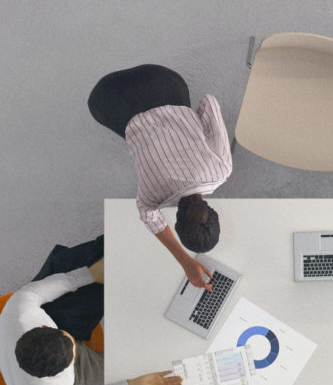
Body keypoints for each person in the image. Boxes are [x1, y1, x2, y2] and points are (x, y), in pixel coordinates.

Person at [87, 63, 229, 288]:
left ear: (217, 214)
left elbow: (209, 101)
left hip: (164, 80)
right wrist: (185, 262)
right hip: (110, 94)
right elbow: (149, 217)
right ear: (175, 224)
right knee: (99, 109)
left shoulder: (221, 171)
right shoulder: (152, 197)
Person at [0, 245, 182, 385]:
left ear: (45, 327)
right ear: (66, 366)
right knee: (138, 370)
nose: (77, 345)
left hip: (47, 344)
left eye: (69, 339)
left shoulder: (21, 313)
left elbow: (38, 291)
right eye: (74, 349)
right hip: (77, 373)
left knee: (100, 254)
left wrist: (90, 274)